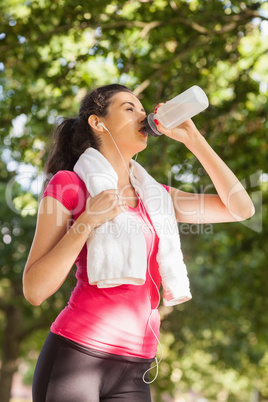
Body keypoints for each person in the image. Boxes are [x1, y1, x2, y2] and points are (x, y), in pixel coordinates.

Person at [23, 84, 254, 402]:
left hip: (135, 369)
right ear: (97, 122)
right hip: (76, 356)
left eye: (143, 109)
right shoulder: (69, 184)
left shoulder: (156, 197)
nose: (144, 115)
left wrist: (195, 140)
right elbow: (34, 290)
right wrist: (88, 221)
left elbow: (240, 209)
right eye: (130, 108)